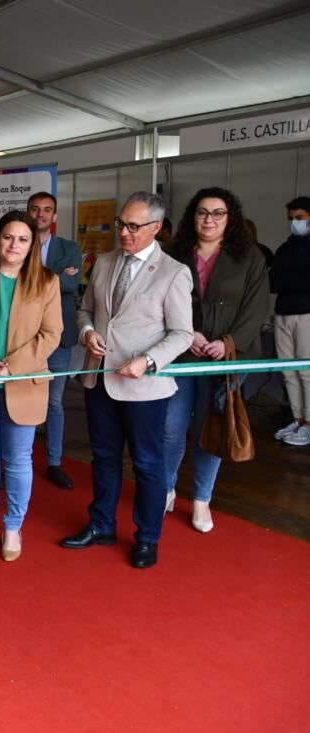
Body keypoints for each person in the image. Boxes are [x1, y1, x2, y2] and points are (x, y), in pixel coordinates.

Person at [60, 192, 192, 569]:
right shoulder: (102, 262)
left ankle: (147, 538)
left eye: (134, 226)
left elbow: (182, 333)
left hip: (144, 386)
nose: (124, 232)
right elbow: (84, 309)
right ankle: (101, 524)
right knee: (103, 457)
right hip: (99, 378)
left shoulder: (174, 273)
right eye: (121, 223)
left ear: (156, 228)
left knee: (148, 464)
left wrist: (148, 361)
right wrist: (86, 333)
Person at [162, 187, 269, 533]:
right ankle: (165, 489)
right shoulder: (173, 253)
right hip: (179, 354)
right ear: (192, 217)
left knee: (210, 433)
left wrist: (228, 343)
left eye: (217, 213)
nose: (209, 220)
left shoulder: (249, 258)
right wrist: (186, 332)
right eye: (202, 213)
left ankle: (202, 500)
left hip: (223, 360)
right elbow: (160, 301)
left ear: (230, 218)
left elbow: (256, 309)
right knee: (171, 430)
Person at [0, 211, 62, 562]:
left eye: (23, 239)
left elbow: (52, 334)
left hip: (24, 384)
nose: (14, 245)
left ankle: (12, 526)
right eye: (8, 237)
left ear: (32, 245)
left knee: (19, 460)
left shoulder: (47, 281)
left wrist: (12, 367)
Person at [27, 192, 82, 489]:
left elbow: (72, 284)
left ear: (55, 216)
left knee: (55, 403)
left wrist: (38, 277)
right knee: (18, 397)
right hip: (24, 338)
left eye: (47, 210)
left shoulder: (70, 248)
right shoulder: (17, 243)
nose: (41, 215)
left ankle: (54, 463)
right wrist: (56, 276)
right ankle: (15, 460)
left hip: (59, 338)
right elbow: (17, 282)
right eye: (35, 209)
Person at [270, 196, 310, 446]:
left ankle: (309, 423)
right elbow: (274, 281)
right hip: (282, 311)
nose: (294, 223)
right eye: (291, 219)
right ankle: (297, 419)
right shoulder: (285, 248)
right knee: (288, 370)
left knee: (306, 370)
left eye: (299, 218)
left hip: (306, 313)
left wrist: (290, 282)